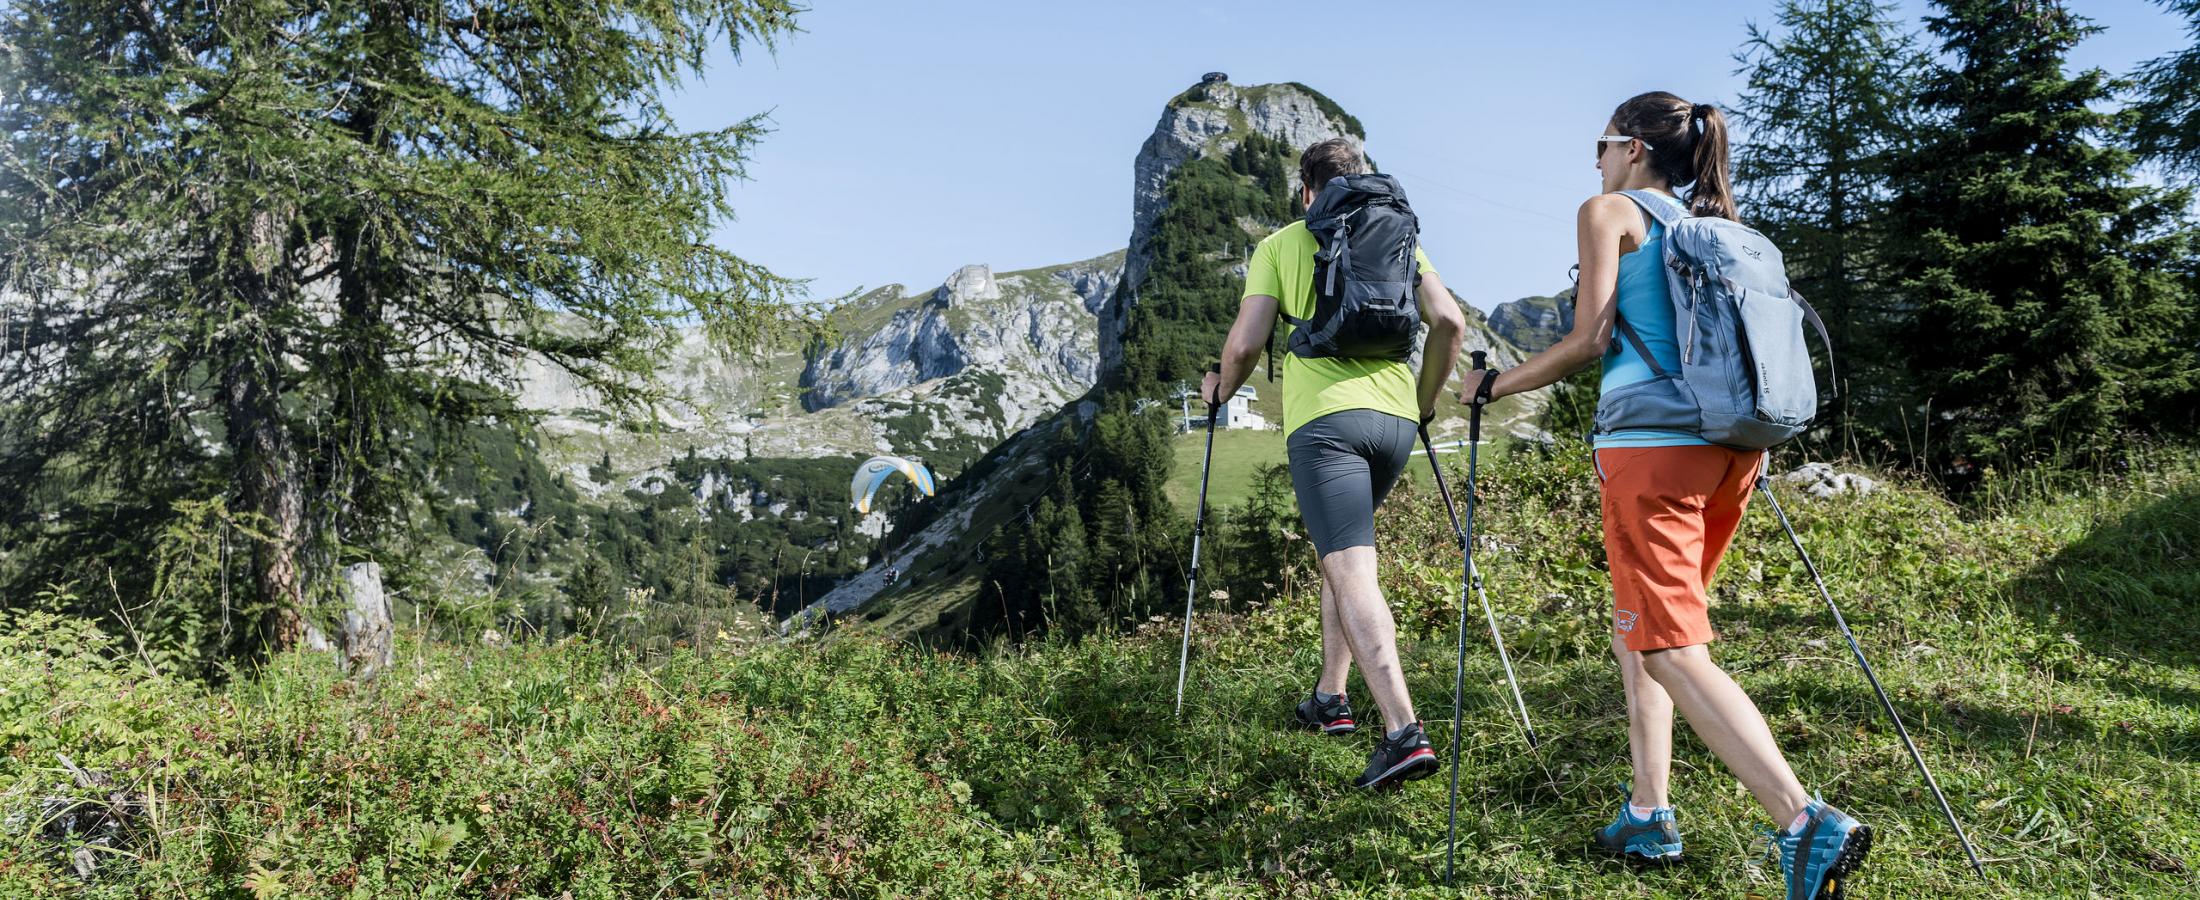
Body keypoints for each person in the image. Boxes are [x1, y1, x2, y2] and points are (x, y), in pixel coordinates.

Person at [1460, 92, 1870, 899]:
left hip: (1652, 452)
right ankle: (1649, 812)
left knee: (1670, 646)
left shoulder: (1609, 211)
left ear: (1634, 148)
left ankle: (1804, 821)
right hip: (1731, 451)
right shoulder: (1708, 228)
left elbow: (1590, 338)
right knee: (1647, 629)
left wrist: (1493, 385)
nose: (1595, 161)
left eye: (1602, 144)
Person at [1202, 138, 1466, 789]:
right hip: (1395, 423)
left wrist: (1220, 390)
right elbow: (1450, 323)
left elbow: (1245, 345)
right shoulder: (1400, 238)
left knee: (1351, 571)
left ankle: (1403, 732)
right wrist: (1422, 403)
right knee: (1341, 558)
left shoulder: (1282, 244)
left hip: (1327, 427)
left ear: (1306, 191)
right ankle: (1331, 697)